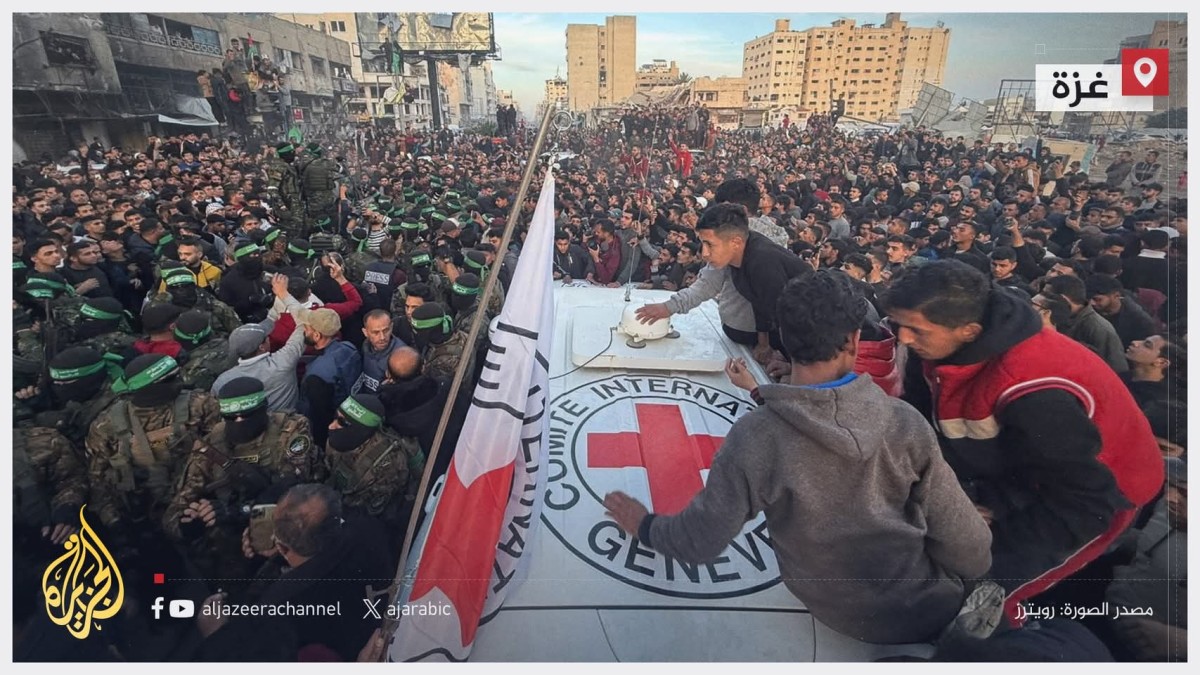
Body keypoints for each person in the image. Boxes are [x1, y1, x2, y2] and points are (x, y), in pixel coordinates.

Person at [604, 270, 992, 644]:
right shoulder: (906, 424)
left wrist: (645, 525)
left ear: (784, 339)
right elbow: (971, 549)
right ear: (854, 341)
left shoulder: (756, 437)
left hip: (835, 613)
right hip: (930, 611)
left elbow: (699, 541)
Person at [882, 260, 1163, 631]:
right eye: (897, 325)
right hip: (1025, 469)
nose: (902, 338)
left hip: (1098, 494)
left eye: (915, 330)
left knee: (989, 591)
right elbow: (927, 421)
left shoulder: (1034, 389)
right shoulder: (933, 345)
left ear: (970, 331)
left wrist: (995, 538)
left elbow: (1085, 502)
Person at [693, 202, 809, 363]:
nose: (704, 253)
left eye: (710, 245)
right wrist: (764, 343)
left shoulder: (763, 262)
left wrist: (793, 365)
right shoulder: (741, 251)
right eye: (702, 243)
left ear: (735, 242)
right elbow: (760, 302)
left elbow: (785, 318)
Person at [1044, 275, 1129, 374]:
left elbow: (1117, 368)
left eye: (1046, 296)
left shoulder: (1099, 329)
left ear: (1062, 298)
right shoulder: (1053, 316)